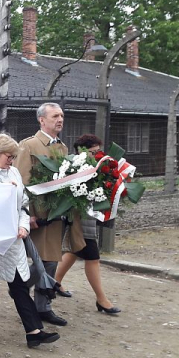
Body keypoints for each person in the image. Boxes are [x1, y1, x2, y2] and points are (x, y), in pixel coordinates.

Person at [0, 134, 60, 348]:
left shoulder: (13, 172)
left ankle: (34, 332)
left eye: (14, 156)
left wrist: (23, 225)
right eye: (9, 156)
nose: (12, 160)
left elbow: (23, 204)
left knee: (18, 283)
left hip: (12, 240)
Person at [15, 103, 73, 327]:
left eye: (62, 116)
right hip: (36, 215)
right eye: (55, 116)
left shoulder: (62, 147)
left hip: (56, 214)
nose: (60, 119)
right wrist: (26, 214)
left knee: (51, 260)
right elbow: (21, 182)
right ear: (42, 120)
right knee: (44, 261)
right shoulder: (28, 146)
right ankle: (21, 288)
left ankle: (41, 305)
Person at [54, 134, 121, 315]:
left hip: (89, 217)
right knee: (92, 257)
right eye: (93, 152)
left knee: (76, 250)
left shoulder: (99, 166)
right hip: (79, 219)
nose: (97, 155)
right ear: (81, 152)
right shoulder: (75, 168)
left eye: (99, 151)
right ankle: (101, 299)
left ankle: (55, 282)